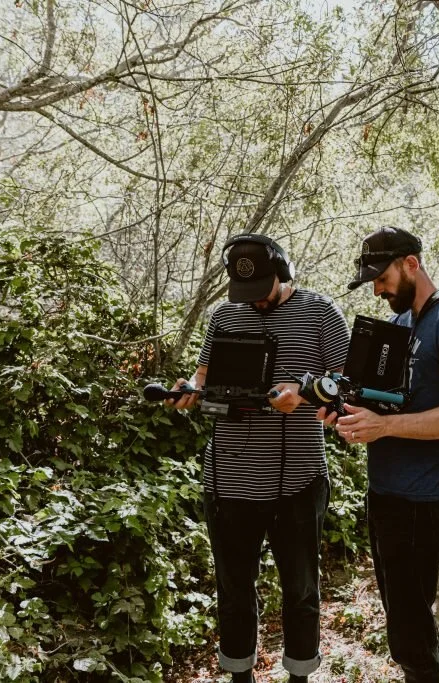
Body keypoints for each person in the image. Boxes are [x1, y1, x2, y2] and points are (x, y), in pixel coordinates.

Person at [165, 234, 350, 683]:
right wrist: (189, 389)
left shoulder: (321, 312)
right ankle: (239, 676)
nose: (256, 302)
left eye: (263, 290)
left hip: (298, 480)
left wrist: (302, 398)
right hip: (228, 479)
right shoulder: (225, 314)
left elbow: (348, 383)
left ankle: (300, 675)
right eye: (246, 292)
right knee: (233, 591)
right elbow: (203, 373)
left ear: (284, 273)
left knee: (300, 589)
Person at [330, 226, 439, 683]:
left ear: (411, 264)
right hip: (384, 494)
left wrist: (384, 426)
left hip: (422, 502)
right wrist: (343, 413)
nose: (377, 289)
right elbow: (382, 403)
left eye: (381, 278)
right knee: (402, 624)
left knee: (412, 632)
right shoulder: (397, 327)